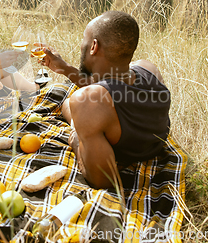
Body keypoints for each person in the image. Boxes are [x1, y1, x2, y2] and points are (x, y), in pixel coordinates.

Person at [38, 11, 171, 189]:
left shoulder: (88, 101)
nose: (81, 45)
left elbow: (103, 180)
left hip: (116, 152)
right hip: (153, 146)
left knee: (70, 104)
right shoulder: (148, 69)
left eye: (83, 40)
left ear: (93, 46)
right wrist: (64, 67)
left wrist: (76, 139)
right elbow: (110, 82)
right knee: (70, 104)